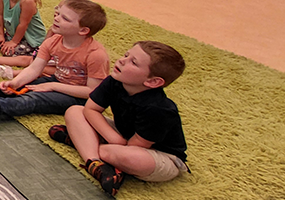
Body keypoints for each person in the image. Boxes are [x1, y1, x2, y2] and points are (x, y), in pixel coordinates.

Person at [52, 41, 188, 197]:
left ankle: (83, 143)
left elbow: (137, 145)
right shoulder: (115, 80)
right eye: (126, 55)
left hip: (156, 153)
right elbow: (91, 109)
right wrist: (113, 137)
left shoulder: (159, 109)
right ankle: (95, 163)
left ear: (153, 81)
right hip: (122, 137)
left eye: (133, 62)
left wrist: (115, 141)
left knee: (131, 158)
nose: (122, 60)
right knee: (75, 111)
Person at [0, 0, 108, 123]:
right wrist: (16, 83)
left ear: (83, 30)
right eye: (58, 14)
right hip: (57, 81)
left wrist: (51, 85)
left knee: (34, 98)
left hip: (77, 98)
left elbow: (92, 92)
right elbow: (34, 69)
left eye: (65, 18)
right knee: (19, 85)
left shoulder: (96, 54)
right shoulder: (53, 41)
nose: (56, 19)